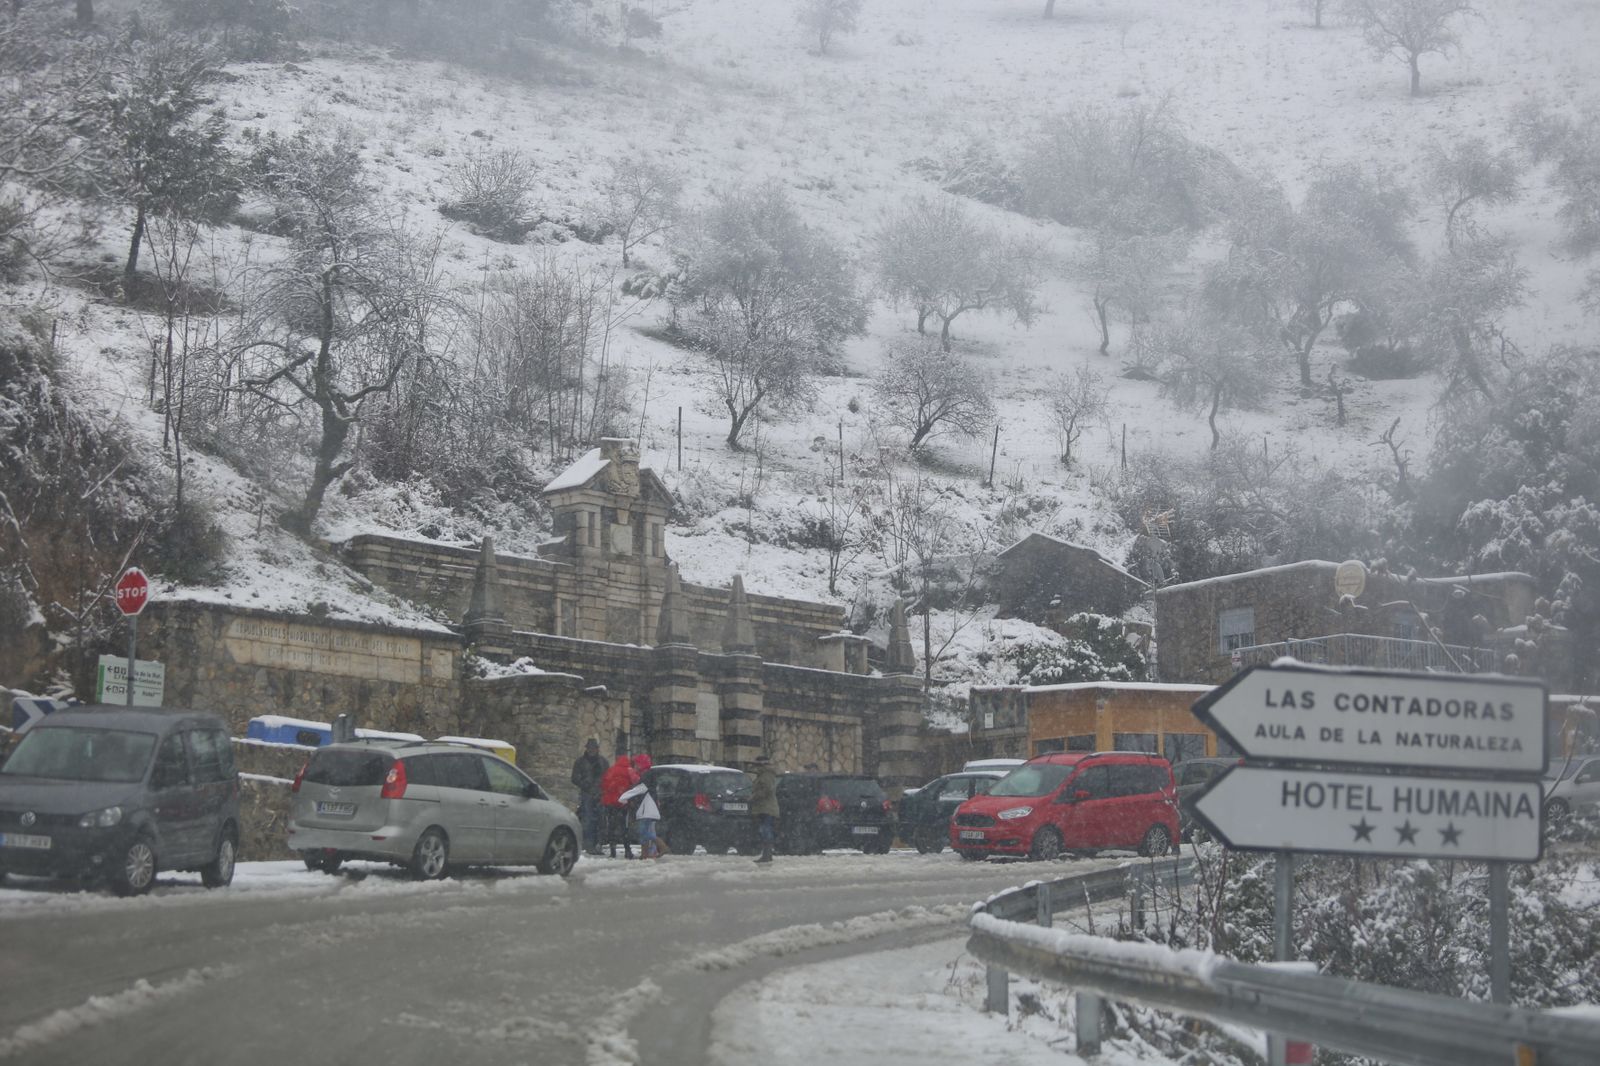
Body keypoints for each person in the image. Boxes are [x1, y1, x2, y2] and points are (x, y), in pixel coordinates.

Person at [620, 766, 668, 860]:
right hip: (648, 808)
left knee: (643, 831)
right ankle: (644, 854)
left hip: (646, 808)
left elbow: (640, 789)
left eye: (637, 764)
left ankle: (662, 846)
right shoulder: (650, 775)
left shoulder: (646, 776)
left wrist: (623, 797)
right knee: (644, 832)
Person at [570, 738, 607, 856]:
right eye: (590, 748)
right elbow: (574, 778)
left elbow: (608, 777)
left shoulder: (603, 762)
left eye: (594, 748)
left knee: (600, 820)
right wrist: (585, 784)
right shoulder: (580, 762)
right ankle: (588, 844)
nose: (592, 750)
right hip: (586, 794)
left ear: (597, 749)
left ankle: (598, 844)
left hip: (600, 794)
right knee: (588, 819)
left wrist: (601, 787)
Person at [600, 752, 640, 859]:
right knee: (624, 826)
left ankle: (613, 851)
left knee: (611, 826)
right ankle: (627, 850)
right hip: (622, 803)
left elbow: (603, 784)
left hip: (609, 803)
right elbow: (637, 782)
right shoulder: (629, 770)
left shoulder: (611, 770)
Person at [751, 754, 778, 864]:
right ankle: (767, 855)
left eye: (757, 765)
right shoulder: (763, 775)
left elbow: (767, 790)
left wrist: (754, 796)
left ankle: (767, 855)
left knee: (765, 831)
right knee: (764, 831)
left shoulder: (766, 775)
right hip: (763, 808)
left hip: (767, 808)